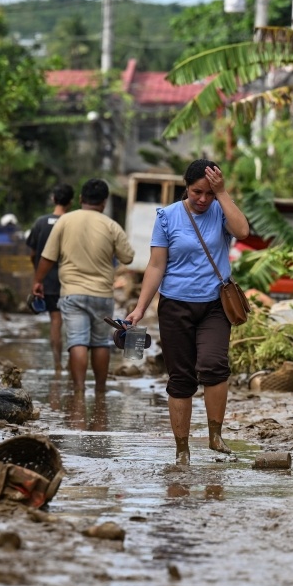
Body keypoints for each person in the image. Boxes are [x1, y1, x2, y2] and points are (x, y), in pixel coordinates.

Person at [126, 159, 250, 466]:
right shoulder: (167, 216)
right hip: (175, 306)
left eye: (209, 193)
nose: (203, 199)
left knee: (213, 365)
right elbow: (156, 265)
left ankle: (215, 435)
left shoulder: (221, 209)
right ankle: (182, 449)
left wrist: (223, 193)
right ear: (186, 186)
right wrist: (140, 309)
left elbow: (243, 231)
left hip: (214, 306)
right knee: (180, 379)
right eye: (197, 192)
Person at [33, 179, 134, 395]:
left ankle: (78, 390)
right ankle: (99, 391)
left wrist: (38, 281)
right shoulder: (111, 225)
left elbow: (47, 257)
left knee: (77, 340)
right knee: (100, 343)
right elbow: (128, 257)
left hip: (72, 293)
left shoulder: (65, 221)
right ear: (104, 202)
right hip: (102, 294)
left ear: (80, 199)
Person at [26, 184, 74, 371]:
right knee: (72, 320)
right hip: (70, 279)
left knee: (55, 320)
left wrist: (38, 275)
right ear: (71, 202)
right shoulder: (72, 222)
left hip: (48, 281)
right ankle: (73, 361)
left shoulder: (40, 222)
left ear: (54, 199)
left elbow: (32, 253)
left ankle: (57, 365)